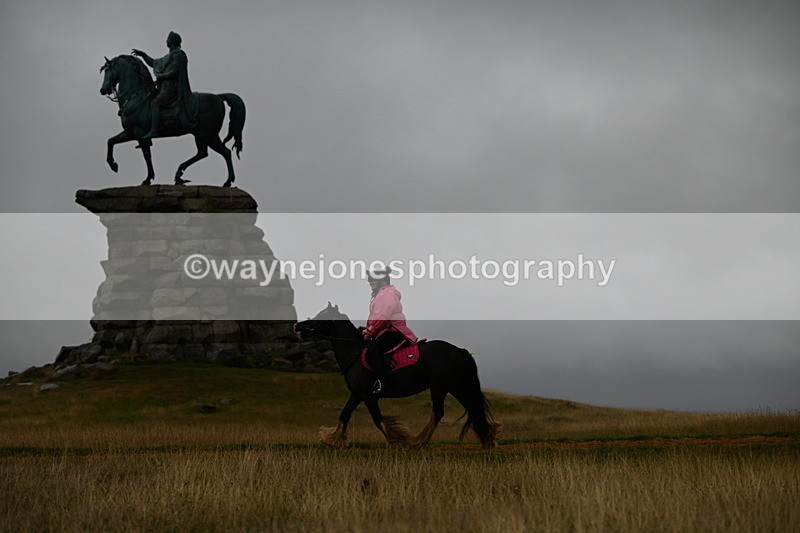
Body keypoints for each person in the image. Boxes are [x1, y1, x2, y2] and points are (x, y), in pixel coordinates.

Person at [132, 31, 198, 139]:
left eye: (168, 39)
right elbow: (153, 63)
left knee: (155, 102)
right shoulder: (168, 56)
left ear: (172, 41)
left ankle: (154, 130)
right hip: (165, 87)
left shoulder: (178, 54)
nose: (166, 40)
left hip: (173, 87)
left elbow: (175, 71)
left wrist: (161, 76)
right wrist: (143, 55)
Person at [363, 267, 417, 395]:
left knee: (373, 351)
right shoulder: (380, 295)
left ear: (382, 281)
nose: (370, 282)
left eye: (373, 280)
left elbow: (383, 317)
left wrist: (371, 332)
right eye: (369, 279)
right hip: (385, 330)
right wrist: (367, 330)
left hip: (393, 330)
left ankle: (384, 384)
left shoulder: (386, 294)